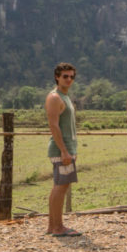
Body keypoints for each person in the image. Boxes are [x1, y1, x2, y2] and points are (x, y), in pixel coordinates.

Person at [45, 62, 79, 236]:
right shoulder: (54, 97)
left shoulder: (65, 97)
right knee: (61, 186)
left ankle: (53, 226)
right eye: (65, 76)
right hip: (61, 150)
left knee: (59, 186)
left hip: (67, 148)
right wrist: (64, 151)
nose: (69, 79)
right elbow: (54, 126)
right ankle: (57, 227)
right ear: (57, 77)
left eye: (71, 76)